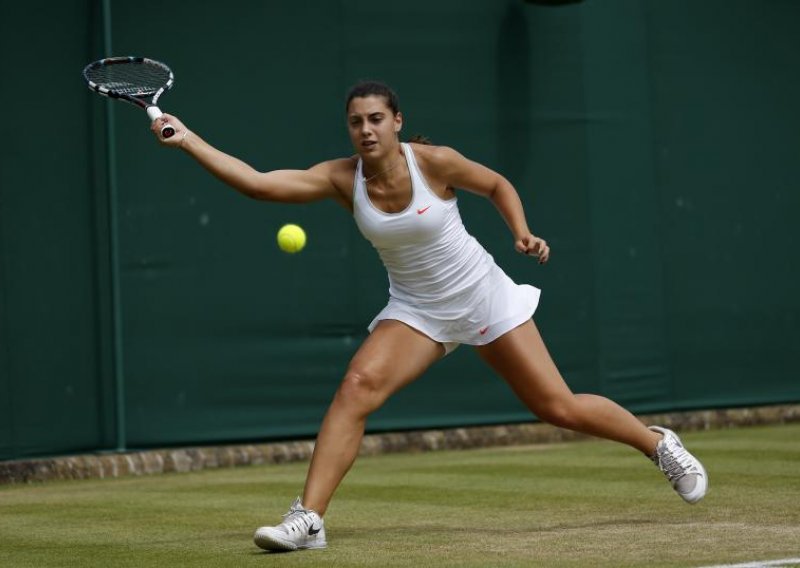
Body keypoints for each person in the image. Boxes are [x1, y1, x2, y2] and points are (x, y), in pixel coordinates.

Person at [151, 81, 707, 552]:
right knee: (357, 387)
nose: (365, 130)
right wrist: (190, 141)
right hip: (417, 310)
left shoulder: (433, 162)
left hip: (483, 295)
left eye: (375, 119)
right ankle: (310, 519)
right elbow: (260, 184)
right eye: (355, 122)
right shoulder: (342, 178)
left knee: (556, 406)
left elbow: (495, 184)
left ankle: (658, 445)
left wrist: (520, 231)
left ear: (397, 122)